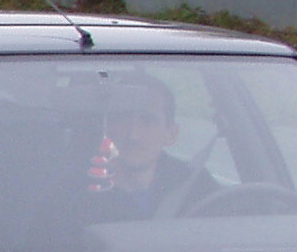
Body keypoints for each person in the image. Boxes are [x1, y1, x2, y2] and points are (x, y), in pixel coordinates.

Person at [83, 74, 218, 222]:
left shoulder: (197, 187)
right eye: (123, 119)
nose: (133, 135)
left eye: (148, 121)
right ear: (107, 128)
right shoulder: (73, 194)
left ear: (171, 134)